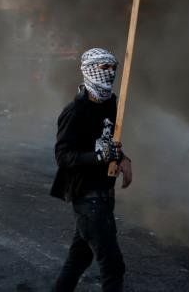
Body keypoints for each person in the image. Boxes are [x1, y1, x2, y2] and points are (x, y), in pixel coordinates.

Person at [51, 48, 132, 292]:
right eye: (103, 67)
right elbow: (63, 156)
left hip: (105, 194)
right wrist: (99, 156)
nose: (109, 73)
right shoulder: (75, 111)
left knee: (79, 258)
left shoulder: (111, 104)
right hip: (87, 197)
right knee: (113, 266)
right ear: (88, 70)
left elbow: (109, 142)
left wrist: (122, 158)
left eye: (112, 68)